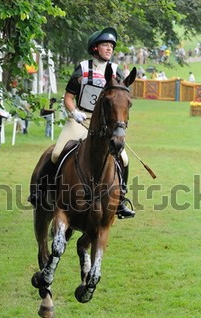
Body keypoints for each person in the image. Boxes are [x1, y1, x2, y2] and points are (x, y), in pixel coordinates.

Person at [36, 27, 134, 218]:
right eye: (105, 45)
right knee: (56, 153)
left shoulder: (116, 71)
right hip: (80, 119)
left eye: (111, 46)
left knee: (124, 159)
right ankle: (42, 191)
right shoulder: (82, 68)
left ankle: (120, 200)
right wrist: (74, 112)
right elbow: (68, 97)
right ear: (95, 48)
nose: (109, 49)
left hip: (104, 124)